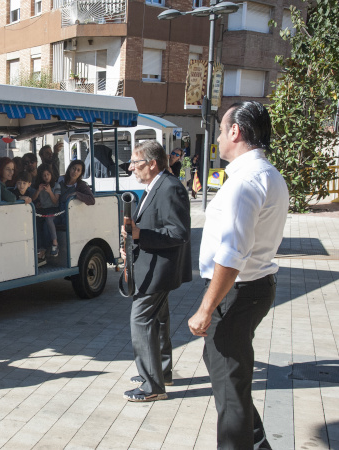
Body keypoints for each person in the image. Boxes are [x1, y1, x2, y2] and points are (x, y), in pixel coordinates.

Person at [187, 101, 288, 448]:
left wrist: (205, 308)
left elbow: (231, 255)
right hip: (251, 289)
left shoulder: (246, 181)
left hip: (237, 293)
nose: (217, 137)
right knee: (232, 381)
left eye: (220, 129)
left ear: (235, 131)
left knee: (230, 391)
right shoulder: (267, 174)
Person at [119, 140, 192, 402]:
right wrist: (133, 238)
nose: (131, 168)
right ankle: (161, 373)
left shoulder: (170, 187)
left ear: (152, 163)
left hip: (160, 270)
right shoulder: (156, 186)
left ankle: (152, 386)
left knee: (141, 321)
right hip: (152, 265)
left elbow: (179, 233)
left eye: (135, 163)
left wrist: (141, 234)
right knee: (159, 321)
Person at [39, 160, 95, 259]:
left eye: (78, 170)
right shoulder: (61, 180)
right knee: (45, 222)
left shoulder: (81, 185)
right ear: (69, 169)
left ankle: (52, 247)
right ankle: (47, 249)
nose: (75, 172)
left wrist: (76, 194)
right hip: (58, 212)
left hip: (70, 216)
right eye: (74, 168)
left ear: (81, 173)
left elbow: (91, 200)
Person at [33, 164, 60, 258]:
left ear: (51, 175)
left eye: (48, 174)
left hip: (54, 210)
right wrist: (38, 191)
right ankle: (40, 248)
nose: (46, 177)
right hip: (43, 210)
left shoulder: (56, 185)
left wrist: (49, 192)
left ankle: (55, 243)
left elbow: (55, 201)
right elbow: (34, 198)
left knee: (48, 221)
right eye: (44, 175)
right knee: (37, 222)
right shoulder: (40, 186)